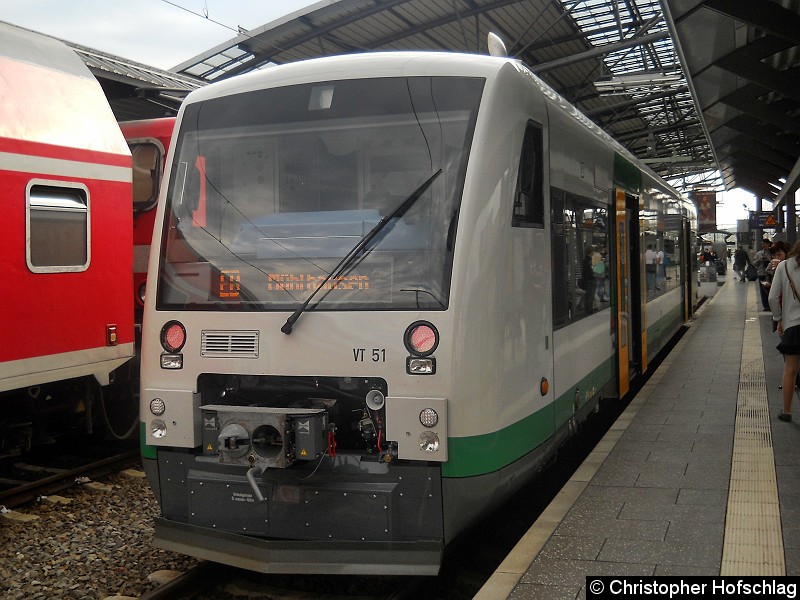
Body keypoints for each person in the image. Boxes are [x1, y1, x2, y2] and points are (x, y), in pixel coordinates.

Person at [768, 240, 800, 422]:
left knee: (790, 370)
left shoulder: (784, 266)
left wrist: (778, 319)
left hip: (793, 326)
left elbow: (773, 298)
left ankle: (787, 412)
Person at [754, 238, 772, 310]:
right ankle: (766, 306)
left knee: (771, 290)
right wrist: (759, 259)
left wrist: (768, 259)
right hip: (761, 274)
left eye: (764, 244)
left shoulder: (771, 252)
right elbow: (754, 263)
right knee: (763, 290)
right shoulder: (759, 253)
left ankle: (771, 305)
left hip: (770, 274)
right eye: (762, 244)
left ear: (768, 244)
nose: (763, 245)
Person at [581, 245, 595, 313]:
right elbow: (589, 271)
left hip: (589, 280)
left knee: (589, 296)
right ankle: (589, 310)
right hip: (590, 280)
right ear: (590, 252)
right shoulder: (588, 261)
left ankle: (588, 309)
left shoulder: (586, 260)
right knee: (590, 296)